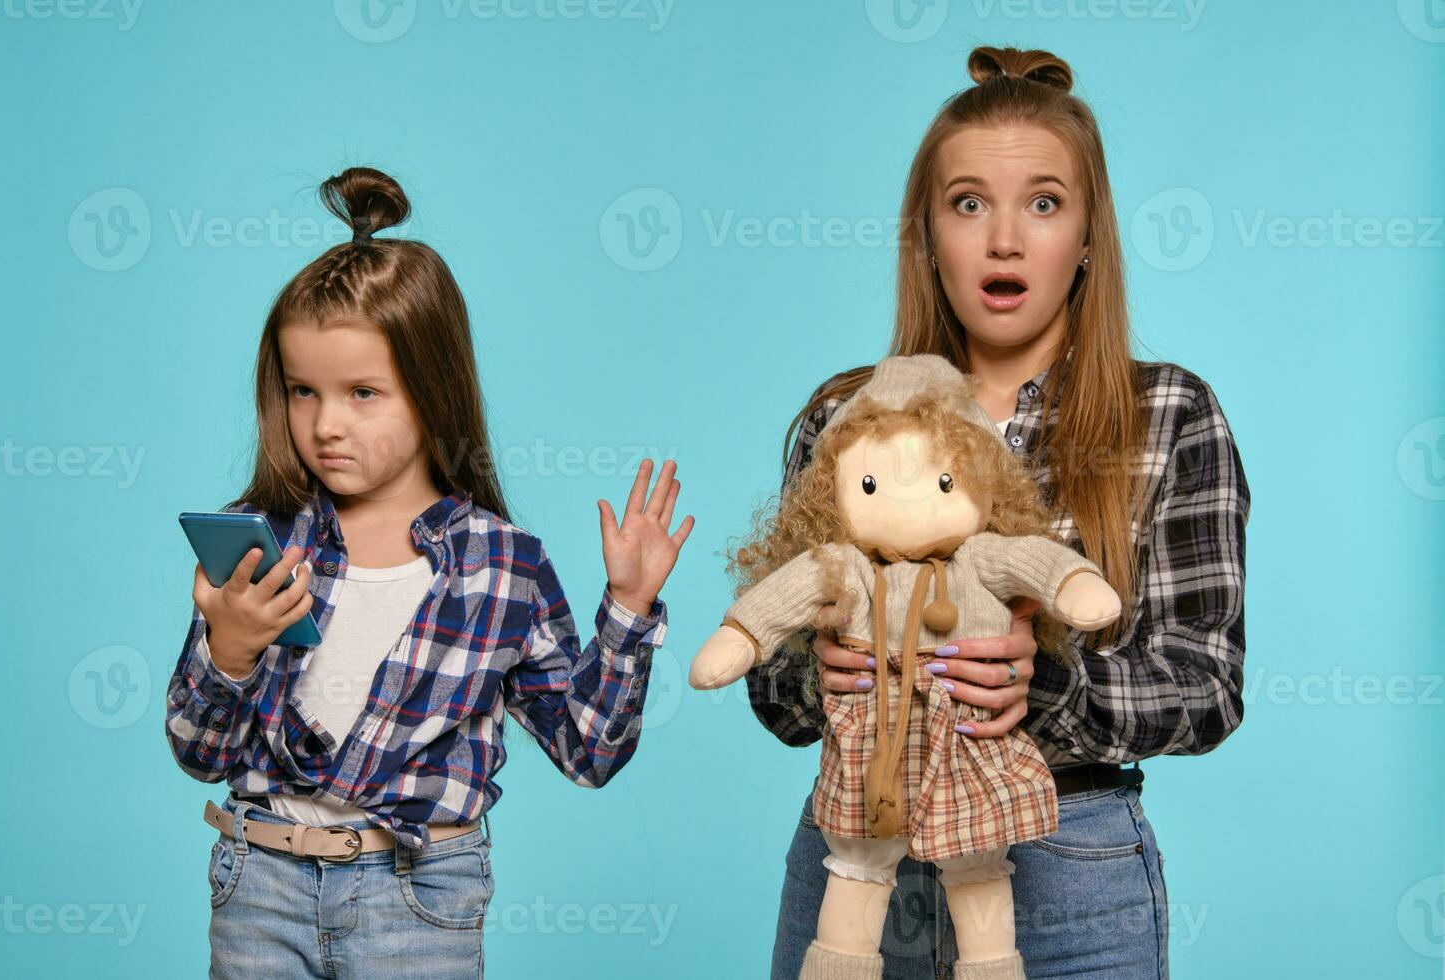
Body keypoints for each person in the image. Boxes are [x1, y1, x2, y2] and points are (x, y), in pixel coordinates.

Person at [746, 46, 1250, 980]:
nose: (1004, 240)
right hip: (861, 851)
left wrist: (1048, 686)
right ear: (927, 233)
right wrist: (823, 669)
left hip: (1069, 861)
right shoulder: (846, 418)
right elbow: (773, 697)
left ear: (1088, 234)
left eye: (1044, 203)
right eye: (968, 203)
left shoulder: (1169, 415)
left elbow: (1209, 684)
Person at [164, 167, 693, 979]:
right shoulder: (266, 542)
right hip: (260, 880)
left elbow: (588, 752)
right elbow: (199, 750)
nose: (325, 424)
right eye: (302, 391)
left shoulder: (502, 565)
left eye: (363, 393)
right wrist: (227, 650)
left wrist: (627, 609)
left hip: (416, 894)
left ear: (432, 390)